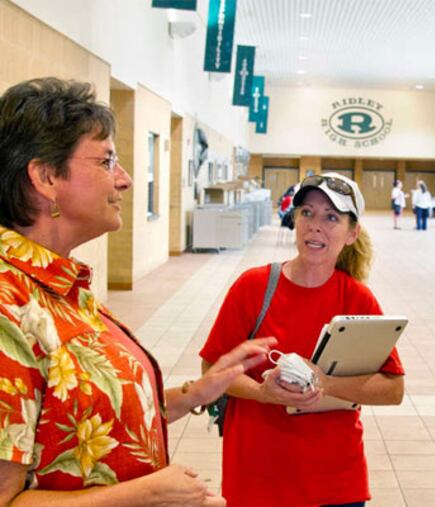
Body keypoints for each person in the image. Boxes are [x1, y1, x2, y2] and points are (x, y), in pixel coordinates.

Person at [0, 77, 275, 506]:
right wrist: (144, 494)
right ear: (46, 176)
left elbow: (83, 419)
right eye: (106, 161)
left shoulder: (61, 288)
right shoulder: (8, 306)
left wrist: (194, 394)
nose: (125, 180)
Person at [199, 172, 405, 507]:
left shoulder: (357, 300)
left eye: (331, 217)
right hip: (257, 478)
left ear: (352, 233)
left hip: (336, 483)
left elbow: (393, 389)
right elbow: (212, 368)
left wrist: (323, 381)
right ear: (294, 220)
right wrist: (263, 394)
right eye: (307, 213)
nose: (315, 226)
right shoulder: (253, 288)